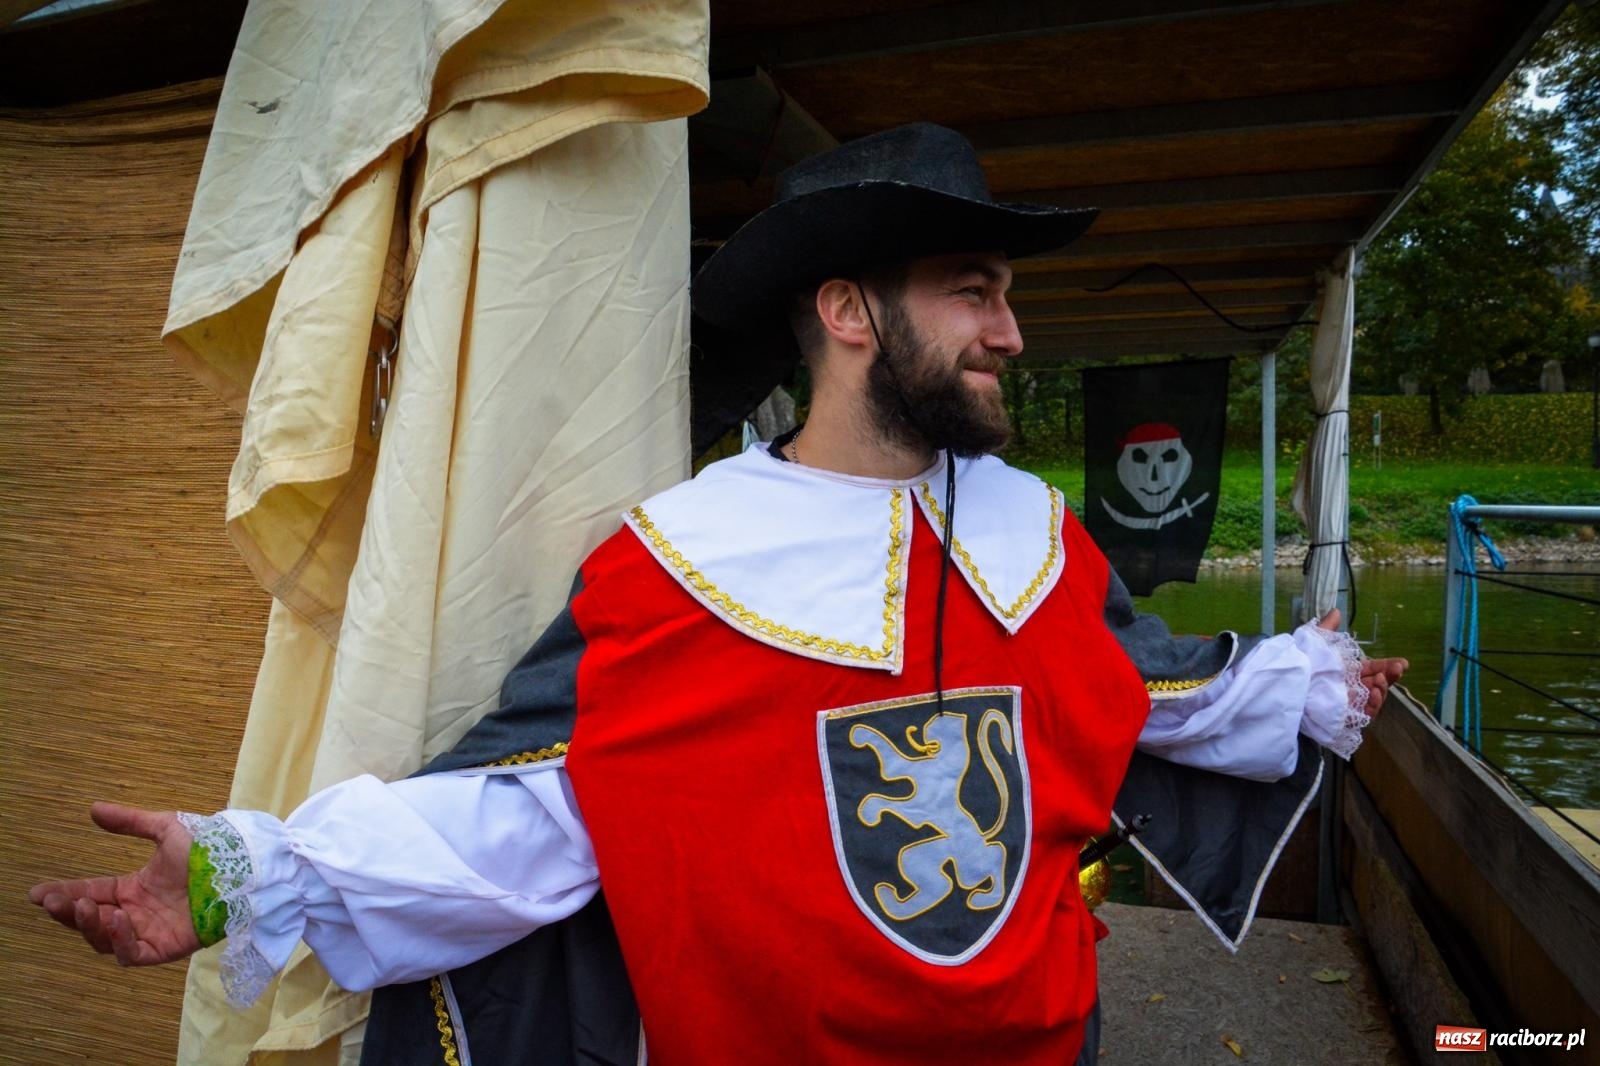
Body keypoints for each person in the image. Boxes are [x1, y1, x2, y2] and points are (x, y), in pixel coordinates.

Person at [31, 123, 1406, 1066]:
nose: (1013, 331)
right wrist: (239, 871)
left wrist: (1312, 679)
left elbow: (1153, 686)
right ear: (854, 315)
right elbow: (528, 815)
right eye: (974, 293)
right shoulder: (688, 557)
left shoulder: (1037, 532)